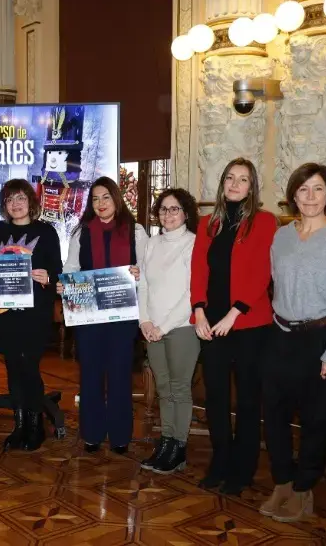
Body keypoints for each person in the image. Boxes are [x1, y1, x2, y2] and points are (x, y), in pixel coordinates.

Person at [260, 163, 326, 522]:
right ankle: (282, 482)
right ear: (293, 196)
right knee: (273, 414)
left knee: (317, 419)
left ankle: (304, 488)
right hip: (280, 335)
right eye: (303, 189)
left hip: (321, 337)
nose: (310, 197)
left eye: (318, 189)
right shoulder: (282, 236)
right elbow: (274, 284)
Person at [190, 157, 276, 495]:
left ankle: (243, 469)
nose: (235, 184)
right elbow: (198, 269)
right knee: (215, 398)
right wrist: (198, 310)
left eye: (243, 179)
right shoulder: (207, 223)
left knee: (248, 401)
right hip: (210, 324)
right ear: (222, 183)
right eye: (230, 177)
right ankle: (220, 461)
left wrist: (234, 313)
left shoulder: (265, 222)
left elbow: (262, 274)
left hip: (250, 324)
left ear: (252, 187)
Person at [60, 177, 147, 454]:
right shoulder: (80, 233)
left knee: (121, 375)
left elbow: (148, 270)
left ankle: (121, 435)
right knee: (91, 376)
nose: (100, 204)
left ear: (116, 199)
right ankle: (92, 434)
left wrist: (139, 274)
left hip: (123, 318)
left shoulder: (137, 231)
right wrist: (66, 283)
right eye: (95, 199)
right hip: (89, 318)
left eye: (106, 197)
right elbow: (72, 267)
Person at [0, 179, 62, 451]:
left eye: (21, 198)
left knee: (29, 367)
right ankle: (19, 424)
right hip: (7, 312)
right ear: (5, 205)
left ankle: (36, 426)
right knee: (12, 367)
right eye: (10, 200)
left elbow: (57, 271)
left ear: (31, 202)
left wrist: (49, 276)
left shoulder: (46, 232)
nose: (16, 204)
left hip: (35, 312)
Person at [137, 187, 200, 473]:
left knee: (179, 388)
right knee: (163, 388)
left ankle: (179, 446)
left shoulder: (194, 244)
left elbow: (192, 293)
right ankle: (166, 441)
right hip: (153, 329)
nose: (168, 214)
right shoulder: (151, 243)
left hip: (181, 327)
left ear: (185, 212)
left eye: (175, 209)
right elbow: (144, 285)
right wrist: (145, 321)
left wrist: (163, 326)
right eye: (164, 209)